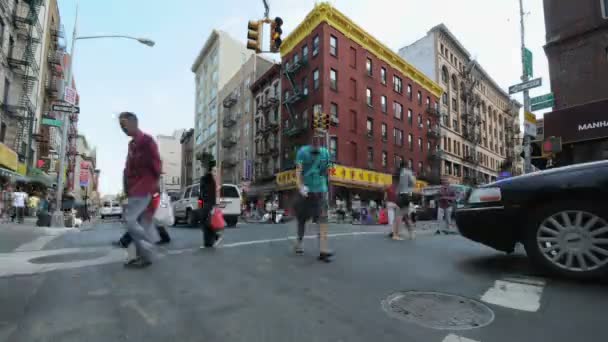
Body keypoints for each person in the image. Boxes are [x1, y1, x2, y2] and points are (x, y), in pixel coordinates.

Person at [119, 111, 162, 268]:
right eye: (120, 126)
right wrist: (127, 187)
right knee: (142, 223)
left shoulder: (147, 141)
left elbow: (156, 164)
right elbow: (128, 168)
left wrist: (155, 186)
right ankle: (143, 257)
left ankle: (148, 246)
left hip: (145, 187)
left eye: (124, 124)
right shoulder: (131, 145)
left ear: (134, 122)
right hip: (134, 189)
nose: (122, 128)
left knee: (130, 221)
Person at [293, 136, 334, 262]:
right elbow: (298, 171)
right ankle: (299, 243)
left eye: (319, 141)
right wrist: (300, 186)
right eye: (314, 141)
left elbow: (329, 171)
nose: (316, 144)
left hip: (320, 191)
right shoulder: (302, 152)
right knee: (302, 218)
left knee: (322, 219)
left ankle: (323, 250)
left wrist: (328, 185)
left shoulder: (326, 153)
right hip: (306, 191)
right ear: (311, 142)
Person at [199, 159, 221, 248]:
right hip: (207, 203)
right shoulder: (208, 178)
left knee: (206, 223)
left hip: (209, 203)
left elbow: (209, 192)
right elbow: (203, 192)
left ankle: (215, 237)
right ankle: (208, 242)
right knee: (205, 223)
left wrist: (213, 206)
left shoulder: (208, 178)